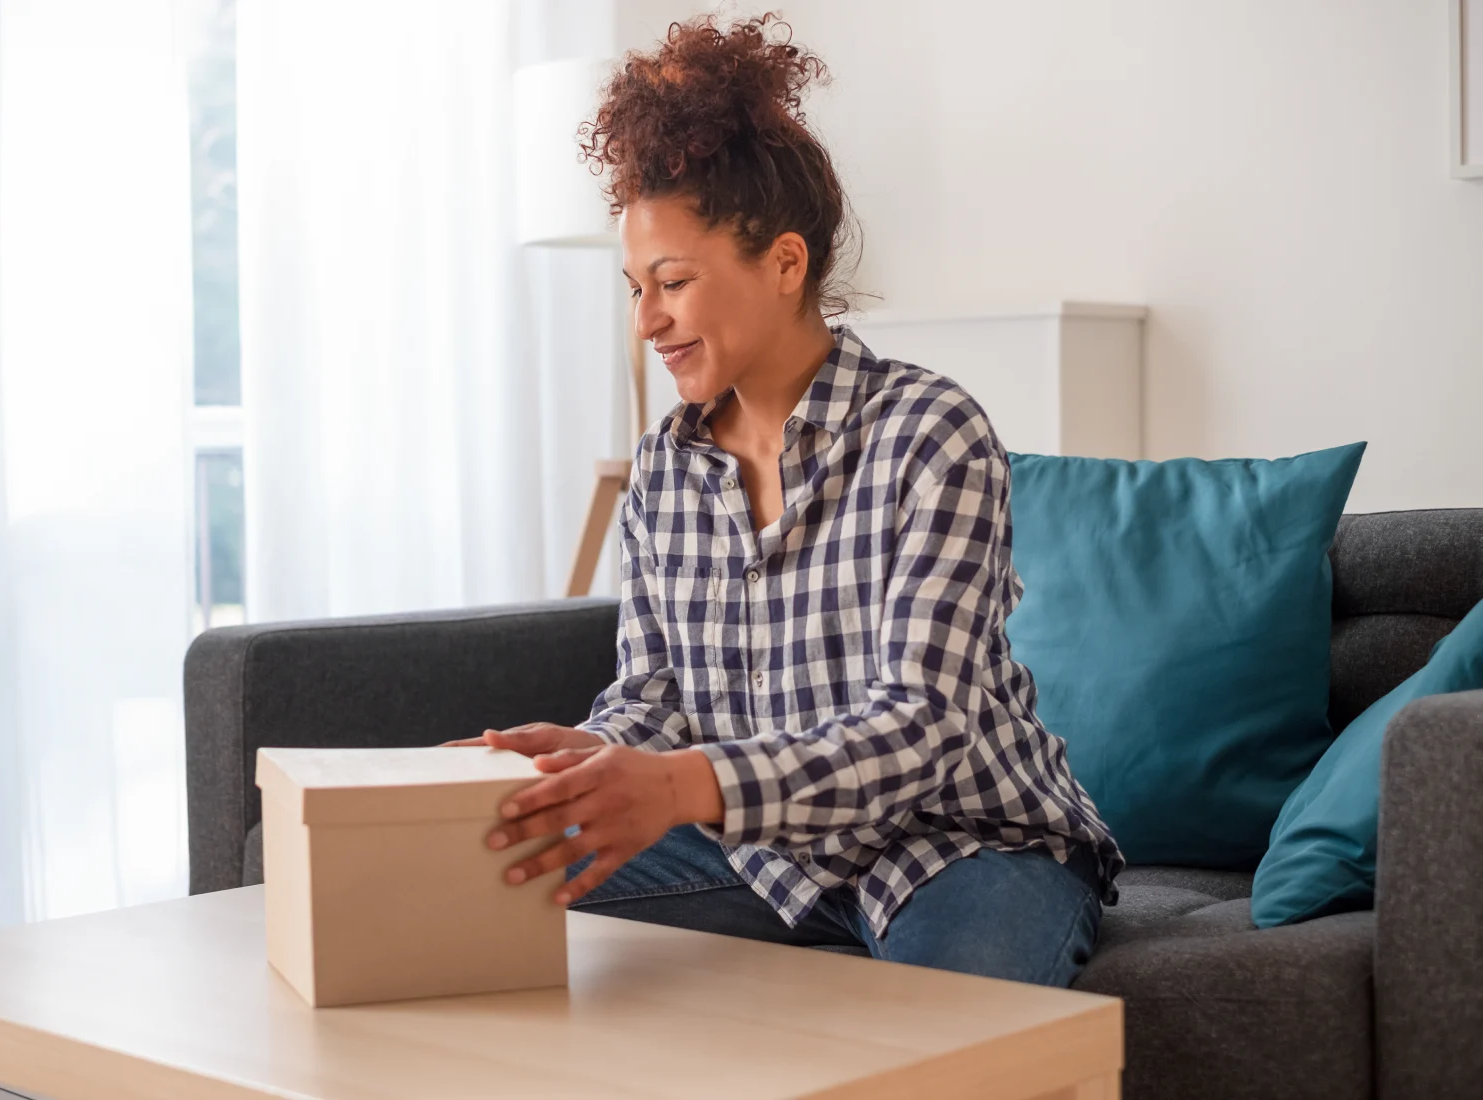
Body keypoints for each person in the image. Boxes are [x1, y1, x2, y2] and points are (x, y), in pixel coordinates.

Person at [449, 12, 1125, 988]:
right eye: (635, 286)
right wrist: (591, 759)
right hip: (761, 854)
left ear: (783, 263)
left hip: (960, 844)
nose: (646, 319)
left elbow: (918, 728)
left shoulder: (929, 432)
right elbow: (655, 698)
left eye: (672, 281)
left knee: (940, 1053)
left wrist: (683, 784)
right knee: (482, 882)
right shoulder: (663, 471)